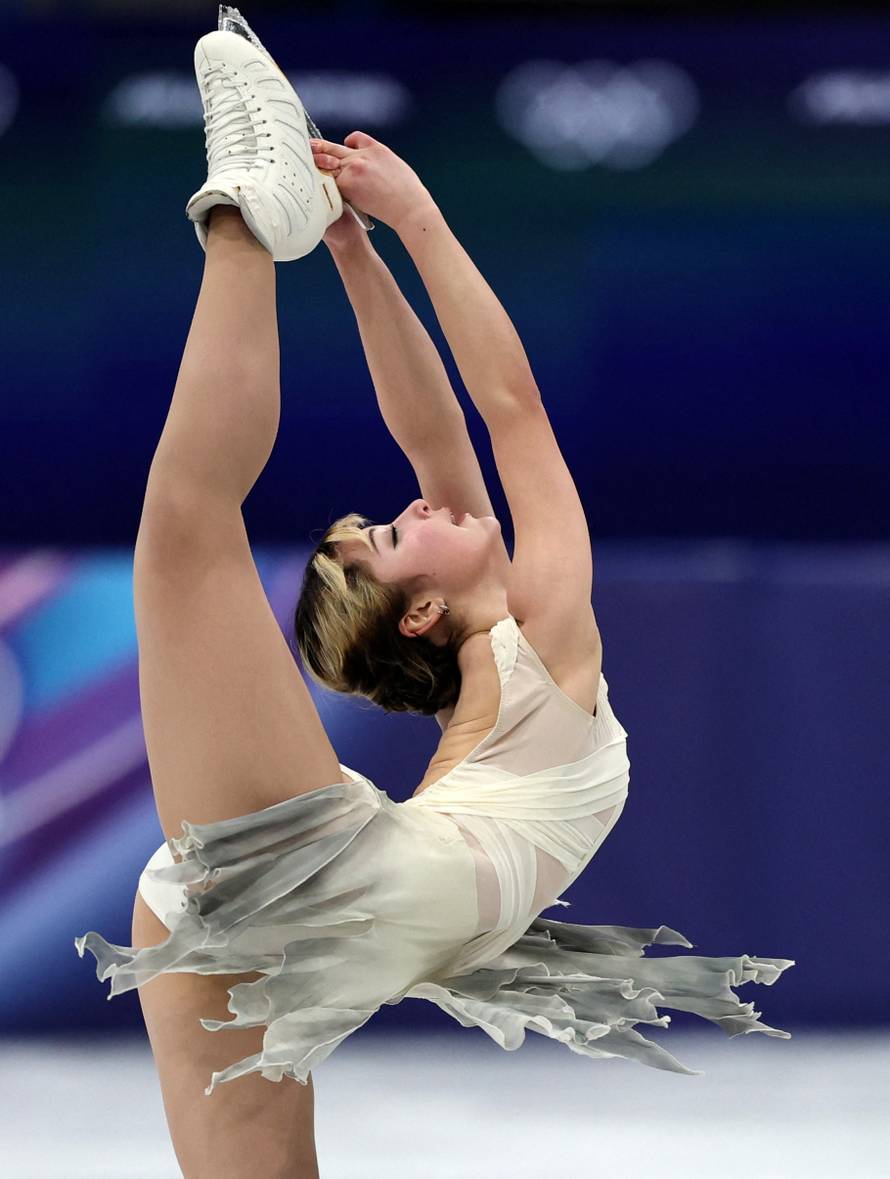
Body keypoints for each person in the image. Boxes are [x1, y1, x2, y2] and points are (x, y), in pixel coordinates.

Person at [75, 10, 794, 1177]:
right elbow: (503, 410)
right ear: (417, 613)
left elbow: (439, 433)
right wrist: (408, 223)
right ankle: (244, 215)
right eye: (390, 536)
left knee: (185, 533)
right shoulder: (542, 644)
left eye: (392, 517)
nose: (411, 507)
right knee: (186, 532)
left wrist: (361, 257)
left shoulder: (516, 664)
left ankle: (256, 221)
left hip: (358, 895)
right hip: (371, 894)